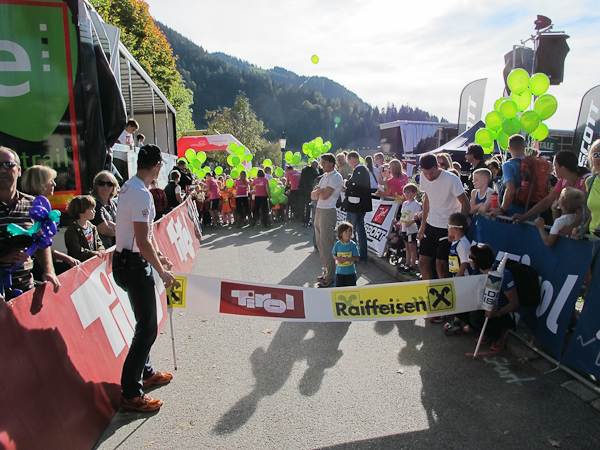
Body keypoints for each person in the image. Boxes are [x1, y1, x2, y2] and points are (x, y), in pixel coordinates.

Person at [113, 144, 176, 412]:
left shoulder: (131, 186)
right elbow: (142, 239)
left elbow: (145, 236)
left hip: (128, 261)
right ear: (158, 165)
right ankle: (130, 392)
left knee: (145, 323)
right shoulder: (140, 193)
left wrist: (158, 257)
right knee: (147, 328)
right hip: (133, 265)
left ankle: (146, 372)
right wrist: (161, 270)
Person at [0, 147, 60, 300]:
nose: (2, 170)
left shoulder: (32, 204)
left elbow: (42, 241)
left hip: (25, 290)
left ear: (19, 170)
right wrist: (3, 257)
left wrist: (49, 270)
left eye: (8, 165)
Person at [417, 153, 470, 283]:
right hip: (432, 223)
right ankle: (430, 291)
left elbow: (466, 204)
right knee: (423, 262)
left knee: (441, 265)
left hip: (447, 226)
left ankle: (445, 293)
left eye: (432, 173)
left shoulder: (451, 179)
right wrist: (423, 225)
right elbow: (427, 200)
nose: (429, 177)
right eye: (425, 173)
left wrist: (456, 229)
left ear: (438, 166)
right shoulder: (423, 177)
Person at [21, 165, 79, 273]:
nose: (54, 184)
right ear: (41, 183)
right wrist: (66, 258)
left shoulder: (39, 204)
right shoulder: (32, 207)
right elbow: (39, 243)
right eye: (51, 181)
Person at [512, 150, 590, 226]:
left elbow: (586, 208)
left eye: (555, 166)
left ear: (563, 168)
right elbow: (547, 201)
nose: (553, 169)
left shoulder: (586, 180)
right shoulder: (563, 181)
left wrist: (572, 226)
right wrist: (524, 217)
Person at [466, 243, 519, 352]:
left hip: (501, 312)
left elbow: (514, 302)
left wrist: (498, 313)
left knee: (475, 317)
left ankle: (499, 333)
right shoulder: (477, 272)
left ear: (478, 260)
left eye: (470, 258)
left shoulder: (504, 275)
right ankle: (486, 331)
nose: (468, 260)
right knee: (461, 311)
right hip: (483, 307)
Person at [312, 153, 343, 288]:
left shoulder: (336, 177)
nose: (322, 164)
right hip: (319, 210)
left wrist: (319, 191)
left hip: (328, 210)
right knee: (320, 245)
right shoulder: (324, 177)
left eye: (324, 162)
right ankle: (326, 272)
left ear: (331, 163)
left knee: (327, 245)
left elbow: (324, 196)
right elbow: (313, 196)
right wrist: (319, 191)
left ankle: (330, 276)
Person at [344, 151, 372, 263]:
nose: (349, 164)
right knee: (360, 230)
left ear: (353, 159)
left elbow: (355, 185)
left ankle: (353, 255)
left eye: (349, 161)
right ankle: (362, 255)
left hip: (355, 204)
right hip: (361, 205)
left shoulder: (360, 169)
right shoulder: (363, 169)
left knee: (351, 230)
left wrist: (346, 183)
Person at [492, 134, 526, 216]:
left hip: (515, 210)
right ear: (524, 147)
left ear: (509, 148)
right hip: (533, 209)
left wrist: (502, 209)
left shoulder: (508, 165)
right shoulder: (533, 163)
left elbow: (511, 190)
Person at [64, 195, 106, 262]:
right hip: (80, 264)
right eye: (91, 209)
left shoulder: (92, 227)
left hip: (92, 262)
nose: (94, 211)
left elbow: (98, 241)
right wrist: (93, 253)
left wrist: (101, 249)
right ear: (81, 211)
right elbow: (76, 250)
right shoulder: (72, 230)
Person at [91, 170, 119, 249]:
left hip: (115, 248)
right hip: (101, 250)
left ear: (114, 187)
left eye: (109, 184)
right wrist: (121, 231)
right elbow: (103, 230)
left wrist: (116, 228)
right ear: (96, 185)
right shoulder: (93, 205)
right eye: (101, 183)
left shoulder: (114, 204)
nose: (105, 186)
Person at [578, 141, 600, 238]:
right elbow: (592, 212)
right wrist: (584, 227)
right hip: (593, 237)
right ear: (591, 158)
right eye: (597, 155)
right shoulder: (590, 181)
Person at [398, 183, 421, 273]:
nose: (407, 194)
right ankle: (407, 263)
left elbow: (418, 216)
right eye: (405, 192)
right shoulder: (404, 204)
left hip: (412, 229)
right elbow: (402, 216)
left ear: (414, 193)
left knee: (412, 247)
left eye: (409, 192)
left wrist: (411, 222)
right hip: (405, 228)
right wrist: (401, 227)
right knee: (407, 246)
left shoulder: (416, 204)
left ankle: (413, 264)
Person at [332, 221, 359, 287]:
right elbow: (334, 254)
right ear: (341, 233)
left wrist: (346, 259)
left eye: (350, 231)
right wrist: (337, 258)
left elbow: (356, 257)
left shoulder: (352, 245)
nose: (349, 233)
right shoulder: (338, 244)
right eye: (346, 231)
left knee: (350, 289)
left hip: (350, 272)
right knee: (339, 289)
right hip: (339, 272)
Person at [299, 160, 319, 227]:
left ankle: (303, 220)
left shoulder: (304, 170)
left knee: (302, 206)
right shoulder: (313, 172)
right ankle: (307, 220)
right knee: (308, 206)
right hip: (309, 191)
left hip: (302, 191)